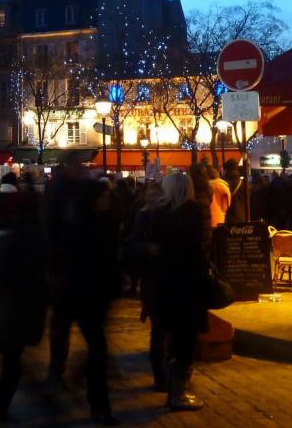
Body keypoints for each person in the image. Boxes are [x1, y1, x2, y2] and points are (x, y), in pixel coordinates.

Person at [46, 165, 121, 425]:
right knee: (96, 349)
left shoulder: (92, 223)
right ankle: (95, 403)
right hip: (83, 294)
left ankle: (93, 400)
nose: (107, 201)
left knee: (95, 349)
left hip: (85, 295)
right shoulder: (85, 228)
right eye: (103, 197)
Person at [129, 172, 208, 411]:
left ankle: (165, 382)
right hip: (186, 284)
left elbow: (134, 243)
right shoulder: (192, 212)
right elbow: (197, 250)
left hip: (159, 283)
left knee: (161, 331)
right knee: (186, 336)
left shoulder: (154, 213)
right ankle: (178, 390)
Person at [0, 178, 47, 423]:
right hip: (23, 309)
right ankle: (30, 394)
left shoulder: (12, 238)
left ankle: (3, 404)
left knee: (11, 359)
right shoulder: (35, 236)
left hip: (10, 310)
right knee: (13, 358)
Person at [221, 159, 245, 223]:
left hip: (227, 217)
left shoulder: (223, 183)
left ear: (226, 169)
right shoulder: (243, 183)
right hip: (241, 217)